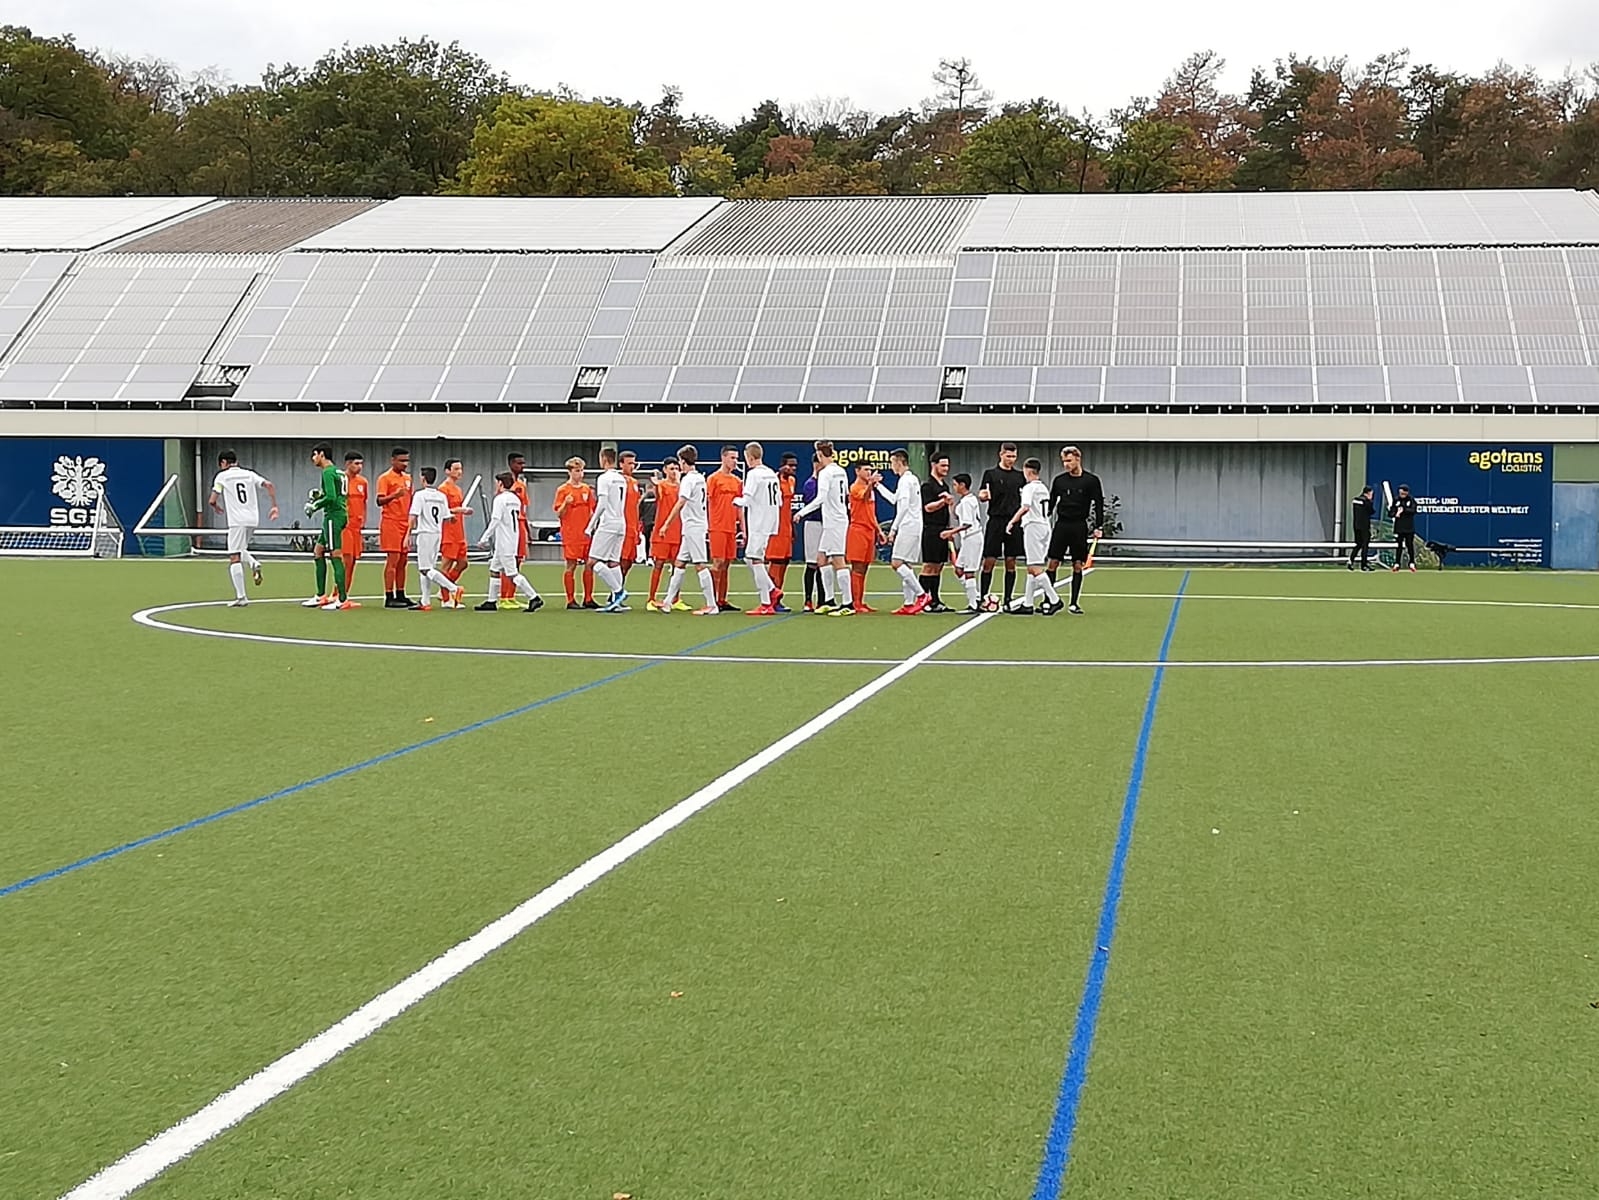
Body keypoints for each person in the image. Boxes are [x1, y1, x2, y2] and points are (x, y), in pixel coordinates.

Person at [208, 450, 277, 606]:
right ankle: (253, 563)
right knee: (240, 548)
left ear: (223, 462)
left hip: (237, 521)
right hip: (252, 519)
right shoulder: (249, 474)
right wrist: (274, 506)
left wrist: (215, 506)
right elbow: (269, 485)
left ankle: (241, 597)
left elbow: (212, 499)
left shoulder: (222, 476)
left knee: (234, 556)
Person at [793, 440, 853, 617]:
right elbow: (846, 495)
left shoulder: (826, 473)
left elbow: (821, 498)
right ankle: (829, 600)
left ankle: (848, 603)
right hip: (833, 521)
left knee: (838, 560)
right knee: (821, 558)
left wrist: (801, 512)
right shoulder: (840, 470)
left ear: (819, 455)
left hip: (835, 522)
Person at [660, 444, 719, 615]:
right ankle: (668, 602)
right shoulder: (699, 478)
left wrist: (666, 524)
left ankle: (711, 604)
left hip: (694, 526)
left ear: (683, 461)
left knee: (700, 564)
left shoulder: (689, 480)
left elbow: (681, 502)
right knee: (679, 563)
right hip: (693, 525)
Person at [1047, 445, 1105, 616]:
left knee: (1077, 564)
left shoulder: (1091, 480)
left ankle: (1074, 603)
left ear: (1078, 459)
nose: (1066, 464)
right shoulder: (1059, 480)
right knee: (1053, 562)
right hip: (1061, 525)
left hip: (1079, 525)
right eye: (1064, 461)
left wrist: (1099, 526)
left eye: (1069, 460)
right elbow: (1051, 503)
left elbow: (1098, 504)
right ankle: (1049, 600)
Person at [476, 473, 543, 612]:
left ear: (500, 483)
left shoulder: (500, 499)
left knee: (512, 573)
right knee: (494, 570)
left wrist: (484, 538)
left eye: (497, 483)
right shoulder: (515, 499)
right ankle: (491, 601)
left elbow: (495, 520)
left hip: (504, 542)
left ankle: (534, 597)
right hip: (510, 539)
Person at [1006, 458, 1064, 614]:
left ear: (1028, 470)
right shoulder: (1043, 487)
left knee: (1034, 567)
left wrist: (1012, 521)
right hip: (1045, 526)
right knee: (1032, 567)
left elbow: (1025, 507)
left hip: (1033, 526)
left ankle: (1054, 600)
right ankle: (1028, 603)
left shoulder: (1029, 487)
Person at [876, 449, 928, 615]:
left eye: (892, 462)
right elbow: (894, 499)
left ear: (899, 462)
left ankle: (922, 595)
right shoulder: (911, 479)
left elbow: (904, 507)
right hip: (914, 525)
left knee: (896, 562)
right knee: (906, 565)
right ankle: (908, 603)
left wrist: (893, 529)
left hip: (908, 525)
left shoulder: (905, 481)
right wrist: (878, 485)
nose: (891, 466)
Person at [736, 442, 784, 615]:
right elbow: (780, 501)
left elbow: (746, 499)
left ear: (749, 457)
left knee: (755, 559)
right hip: (770, 521)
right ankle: (772, 589)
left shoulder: (754, 474)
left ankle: (766, 602)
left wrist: (735, 501)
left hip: (759, 522)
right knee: (750, 558)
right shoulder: (771, 473)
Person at [408, 467, 464, 611]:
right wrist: (455, 516)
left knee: (425, 569)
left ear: (423, 478)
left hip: (425, 533)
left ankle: (453, 588)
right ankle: (425, 601)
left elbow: (413, 516)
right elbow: (447, 516)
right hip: (437, 534)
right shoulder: (441, 496)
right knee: (427, 568)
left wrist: (408, 535)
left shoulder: (420, 495)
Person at [303, 443, 350, 611]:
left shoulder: (327, 472)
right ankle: (320, 595)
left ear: (322, 454)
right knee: (318, 551)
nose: (313, 458)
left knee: (335, 554)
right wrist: (318, 495)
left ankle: (342, 598)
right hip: (339, 514)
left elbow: (331, 497)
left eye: (314, 454)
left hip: (333, 517)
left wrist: (314, 505)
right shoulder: (339, 472)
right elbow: (336, 494)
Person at [980, 442, 1026, 609]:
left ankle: (1008, 599)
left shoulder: (1020, 476)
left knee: (1011, 560)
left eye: (1014, 456)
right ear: (1001, 455)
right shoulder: (990, 474)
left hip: (1014, 522)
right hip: (996, 520)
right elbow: (982, 493)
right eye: (1008, 456)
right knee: (989, 560)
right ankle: (983, 597)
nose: (1011, 459)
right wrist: (983, 496)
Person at [586, 447, 631, 613]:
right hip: (621, 523)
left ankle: (618, 592)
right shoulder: (621, 479)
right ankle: (616, 602)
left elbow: (603, 503)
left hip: (608, 524)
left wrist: (591, 525)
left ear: (603, 459)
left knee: (593, 562)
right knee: (613, 562)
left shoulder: (604, 478)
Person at [553, 457, 597, 609]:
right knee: (571, 565)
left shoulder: (586, 489)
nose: (580, 474)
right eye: (577, 471)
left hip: (585, 533)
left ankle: (588, 598)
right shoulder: (563, 490)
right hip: (571, 533)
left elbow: (592, 510)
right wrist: (566, 503)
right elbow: (559, 513)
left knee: (589, 564)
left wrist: (592, 527)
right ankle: (570, 600)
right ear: (570, 472)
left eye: (582, 470)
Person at [375, 447, 414, 608]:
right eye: (401, 460)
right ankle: (389, 595)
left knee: (403, 561)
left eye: (406, 461)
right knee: (393, 559)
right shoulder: (385, 478)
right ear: (393, 460)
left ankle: (401, 593)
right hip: (391, 522)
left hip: (404, 522)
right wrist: (394, 496)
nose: (404, 464)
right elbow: (379, 500)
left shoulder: (407, 478)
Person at [707, 445, 744, 611]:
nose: (735, 461)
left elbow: (740, 507)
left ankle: (722, 600)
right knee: (718, 562)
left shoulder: (737, 481)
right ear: (723, 458)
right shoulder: (713, 479)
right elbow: (707, 502)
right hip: (717, 526)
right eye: (732, 458)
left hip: (731, 527)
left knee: (727, 563)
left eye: (736, 458)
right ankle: (711, 599)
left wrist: (743, 528)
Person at [646, 457, 684, 612]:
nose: (674, 471)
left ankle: (676, 599)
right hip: (662, 531)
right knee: (659, 564)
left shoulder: (682, 486)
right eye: (671, 468)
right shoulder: (661, 485)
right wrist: (656, 484)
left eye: (676, 468)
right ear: (665, 470)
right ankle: (651, 599)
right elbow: (658, 494)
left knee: (677, 566)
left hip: (678, 531)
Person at [846, 462, 884, 613]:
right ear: (857, 471)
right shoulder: (855, 487)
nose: (869, 472)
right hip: (858, 530)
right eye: (866, 469)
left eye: (870, 469)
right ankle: (855, 602)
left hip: (869, 531)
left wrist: (879, 531)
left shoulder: (870, 489)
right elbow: (863, 496)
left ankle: (860, 601)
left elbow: (871, 513)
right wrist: (871, 484)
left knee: (865, 567)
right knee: (857, 567)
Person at [919, 452, 955, 612]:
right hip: (931, 529)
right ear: (933, 465)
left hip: (943, 529)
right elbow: (927, 507)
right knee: (929, 565)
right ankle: (921, 598)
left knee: (939, 565)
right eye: (943, 465)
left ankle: (934, 600)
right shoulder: (927, 486)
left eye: (947, 465)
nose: (946, 468)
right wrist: (943, 501)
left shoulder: (944, 486)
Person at [947, 473, 984, 613]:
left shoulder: (968, 502)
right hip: (967, 539)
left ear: (962, 485)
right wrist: (951, 505)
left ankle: (973, 604)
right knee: (959, 569)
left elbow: (967, 524)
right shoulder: (965, 501)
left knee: (969, 571)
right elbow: (957, 516)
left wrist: (951, 532)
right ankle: (976, 596)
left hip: (972, 538)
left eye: (955, 485)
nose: (954, 487)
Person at [767, 453, 799, 611]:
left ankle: (778, 598)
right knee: (776, 563)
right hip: (776, 528)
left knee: (785, 562)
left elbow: (789, 508)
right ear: (782, 465)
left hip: (787, 528)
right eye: (790, 465)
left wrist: (792, 528)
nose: (793, 468)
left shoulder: (792, 481)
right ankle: (769, 599)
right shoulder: (774, 481)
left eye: (795, 466)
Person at [438, 458, 472, 606]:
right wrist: (458, 510)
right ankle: (446, 598)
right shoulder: (443, 489)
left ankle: (446, 587)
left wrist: (463, 511)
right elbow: (442, 510)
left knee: (463, 563)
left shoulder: (458, 489)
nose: (459, 472)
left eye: (460, 469)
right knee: (446, 564)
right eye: (456, 469)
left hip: (459, 531)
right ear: (447, 471)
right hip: (449, 532)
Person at [500, 452, 532, 609]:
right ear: (511, 464)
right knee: (507, 561)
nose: (522, 466)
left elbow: (523, 510)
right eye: (519, 463)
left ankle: (511, 596)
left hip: (520, 526)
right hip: (509, 527)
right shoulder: (505, 485)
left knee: (518, 561)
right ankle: (504, 596)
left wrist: (527, 530)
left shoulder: (522, 485)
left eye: (523, 463)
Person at [341, 452, 368, 602]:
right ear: (348, 464)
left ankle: (344, 595)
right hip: (345, 526)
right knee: (346, 560)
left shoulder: (363, 482)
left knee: (353, 562)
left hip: (357, 527)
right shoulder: (340, 480)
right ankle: (337, 593)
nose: (359, 467)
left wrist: (363, 520)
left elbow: (364, 503)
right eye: (356, 463)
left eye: (361, 464)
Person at [799, 453, 822, 611]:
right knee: (812, 563)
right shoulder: (810, 484)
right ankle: (808, 600)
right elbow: (813, 503)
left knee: (824, 564)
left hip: (827, 524)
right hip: (813, 524)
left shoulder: (829, 481)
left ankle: (823, 599)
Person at [618, 450, 643, 589]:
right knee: (621, 560)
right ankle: (616, 591)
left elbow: (636, 505)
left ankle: (619, 588)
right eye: (629, 463)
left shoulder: (634, 482)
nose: (632, 466)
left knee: (630, 561)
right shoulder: (618, 481)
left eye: (633, 463)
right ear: (621, 464)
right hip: (623, 526)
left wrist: (638, 526)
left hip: (633, 526)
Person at [1390, 484, 1418, 572]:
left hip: (1409, 527)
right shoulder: (1396, 500)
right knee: (1399, 545)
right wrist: (1395, 513)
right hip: (1399, 527)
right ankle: (1397, 563)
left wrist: (1404, 510)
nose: (1402, 495)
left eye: (1403, 493)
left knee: (1409, 545)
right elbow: (1391, 512)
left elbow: (1413, 510)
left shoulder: (1411, 500)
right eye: (1400, 493)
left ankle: (1412, 563)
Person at [1350, 485, 1376, 571]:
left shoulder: (1356, 500)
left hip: (1356, 525)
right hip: (1364, 526)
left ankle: (1351, 560)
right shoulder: (1366, 501)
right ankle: (1364, 564)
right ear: (1368, 493)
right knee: (1365, 545)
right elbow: (1371, 511)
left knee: (1358, 544)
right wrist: (1370, 501)